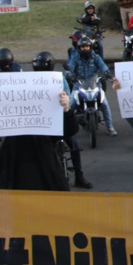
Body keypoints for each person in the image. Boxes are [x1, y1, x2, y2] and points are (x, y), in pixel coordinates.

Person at [0, 89, 77, 190]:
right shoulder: (0, 125)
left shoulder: (44, 124)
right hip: (10, 186)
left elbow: (70, 130)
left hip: (47, 183)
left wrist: (66, 110)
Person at [33, 51, 93, 188]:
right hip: (41, 122)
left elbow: (69, 96)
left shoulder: (59, 79)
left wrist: (65, 104)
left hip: (59, 119)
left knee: (74, 146)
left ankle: (79, 176)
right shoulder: (32, 82)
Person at [67, 38, 117, 136]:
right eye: (83, 47)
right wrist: (69, 74)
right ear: (79, 48)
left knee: (105, 104)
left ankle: (110, 127)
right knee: (71, 106)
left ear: (90, 47)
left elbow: (103, 66)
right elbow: (70, 68)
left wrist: (107, 73)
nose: (85, 49)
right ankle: (66, 128)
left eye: (87, 46)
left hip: (94, 84)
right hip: (79, 85)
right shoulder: (75, 58)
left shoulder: (96, 57)